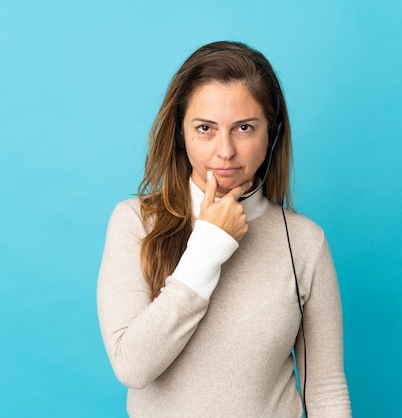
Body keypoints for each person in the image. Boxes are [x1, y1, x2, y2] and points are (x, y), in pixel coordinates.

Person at [97, 40, 351, 417]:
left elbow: (325, 388)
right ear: (181, 133)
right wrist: (208, 246)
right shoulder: (135, 222)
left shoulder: (304, 243)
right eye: (205, 128)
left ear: (272, 134)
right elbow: (132, 367)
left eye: (244, 128)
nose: (225, 151)